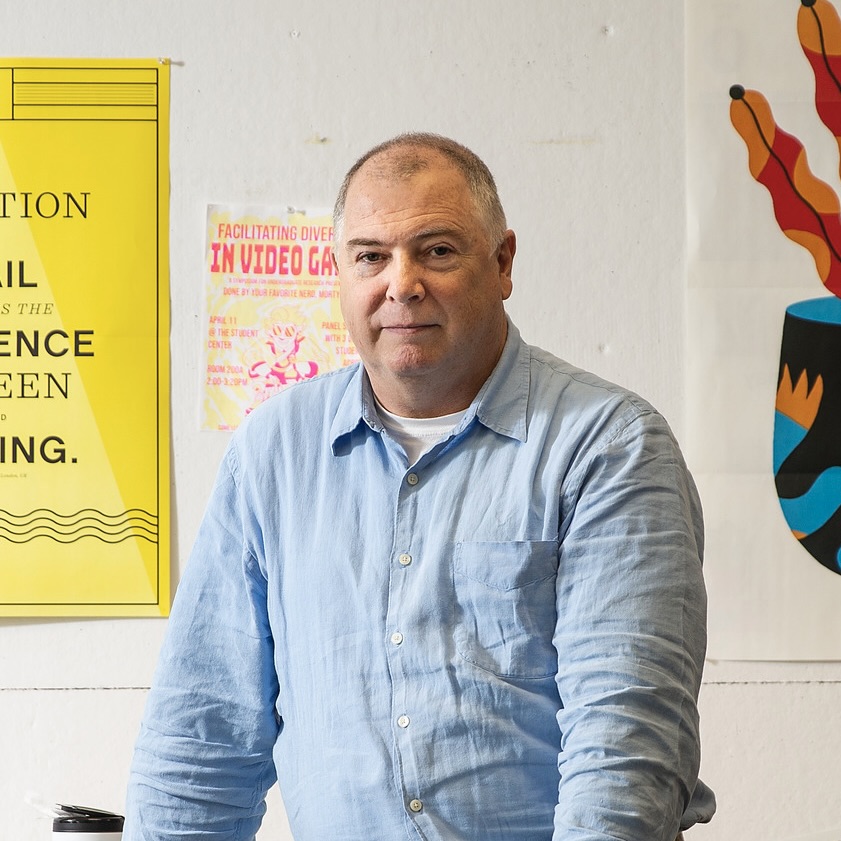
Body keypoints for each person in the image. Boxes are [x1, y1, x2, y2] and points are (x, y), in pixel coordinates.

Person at [125, 133, 716, 840]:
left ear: (502, 264)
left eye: (436, 250)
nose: (400, 283)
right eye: (370, 256)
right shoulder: (274, 449)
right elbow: (201, 738)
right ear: (341, 273)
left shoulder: (607, 444)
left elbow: (624, 746)